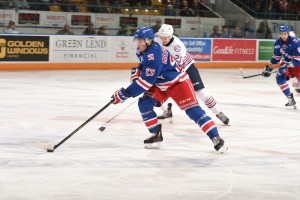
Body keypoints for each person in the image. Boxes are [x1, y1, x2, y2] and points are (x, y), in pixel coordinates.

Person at [111, 26, 228, 152]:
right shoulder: (144, 50)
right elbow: (144, 65)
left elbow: (145, 83)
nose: (138, 44)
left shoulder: (155, 55)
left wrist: (124, 94)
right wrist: (138, 70)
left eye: (141, 41)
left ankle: (216, 138)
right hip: (161, 83)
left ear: (149, 40)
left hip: (177, 83)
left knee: (193, 111)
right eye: (137, 40)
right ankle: (156, 135)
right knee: (144, 104)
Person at [154, 24, 229, 125]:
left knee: (200, 92)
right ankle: (167, 110)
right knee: (157, 89)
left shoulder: (177, 47)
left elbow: (177, 66)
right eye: (161, 37)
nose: (163, 39)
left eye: (165, 37)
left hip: (186, 68)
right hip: (170, 69)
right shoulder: (157, 38)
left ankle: (218, 112)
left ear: (171, 35)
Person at [262, 25, 300, 109]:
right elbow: (276, 58)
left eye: (285, 34)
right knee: (279, 78)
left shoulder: (295, 42)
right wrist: (269, 68)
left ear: (288, 33)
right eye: (281, 34)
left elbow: (298, 58)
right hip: (288, 63)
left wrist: (287, 66)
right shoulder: (277, 43)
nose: (283, 36)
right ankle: (290, 99)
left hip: (298, 64)